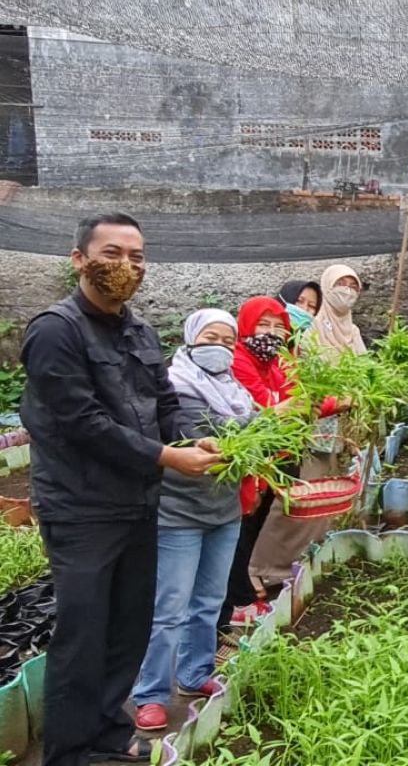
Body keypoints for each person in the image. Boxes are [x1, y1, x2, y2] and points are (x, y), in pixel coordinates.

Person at [20, 213, 221, 765]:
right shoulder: (55, 331)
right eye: (111, 253)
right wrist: (165, 456)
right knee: (82, 635)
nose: (126, 265)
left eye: (136, 255)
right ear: (79, 259)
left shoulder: (140, 330)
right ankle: (68, 751)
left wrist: (190, 441)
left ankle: (109, 730)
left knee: (128, 626)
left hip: (137, 503)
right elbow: (80, 421)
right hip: (81, 508)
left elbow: (165, 404)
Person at [131, 310, 254, 733]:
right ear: (189, 339)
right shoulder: (174, 386)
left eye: (227, 340)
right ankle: (149, 694)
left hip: (224, 510)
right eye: (210, 337)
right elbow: (196, 429)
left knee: (208, 601)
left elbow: (248, 431)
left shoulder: (235, 389)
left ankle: (194, 673)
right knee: (169, 608)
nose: (219, 346)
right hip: (179, 513)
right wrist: (255, 426)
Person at [221, 297, 338, 629]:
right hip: (254, 460)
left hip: (278, 456)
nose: (271, 333)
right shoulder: (238, 360)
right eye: (263, 325)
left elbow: (299, 397)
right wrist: (300, 404)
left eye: (278, 327)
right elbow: (266, 403)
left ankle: (240, 595)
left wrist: (329, 401)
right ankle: (237, 601)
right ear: (246, 326)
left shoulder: (278, 361)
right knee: (241, 529)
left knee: (254, 527)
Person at [313, 264, 367, 355]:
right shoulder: (312, 326)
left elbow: (365, 363)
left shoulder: (353, 331)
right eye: (340, 284)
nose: (347, 290)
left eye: (353, 287)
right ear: (327, 286)